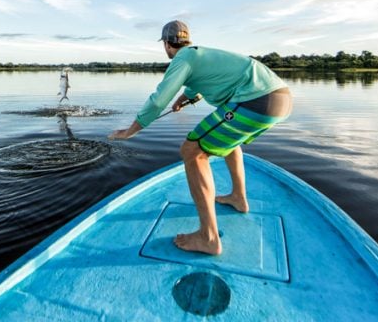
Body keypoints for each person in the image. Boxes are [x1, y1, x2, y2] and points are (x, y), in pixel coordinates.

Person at [109, 20, 292, 255]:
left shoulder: (182, 58)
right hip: (281, 98)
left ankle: (208, 237)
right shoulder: (199, 54)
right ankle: (238, 197)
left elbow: (157, 100)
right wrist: (183, 100)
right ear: (187, 39)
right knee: (230, 142)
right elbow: (197, 83)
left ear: (166, 43)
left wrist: (131, 130)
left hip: (256, 101)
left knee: (192, 151)